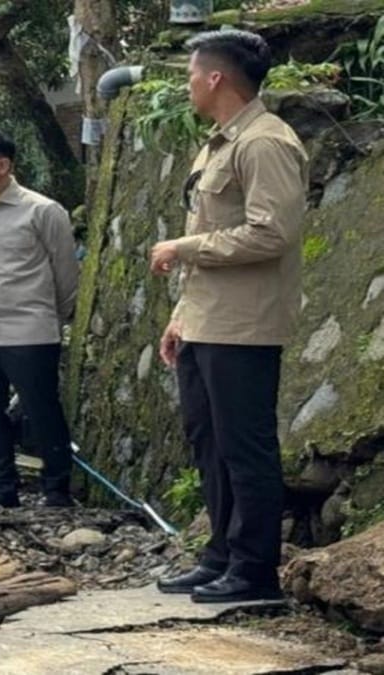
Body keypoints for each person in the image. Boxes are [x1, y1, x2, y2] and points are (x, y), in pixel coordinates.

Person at [151, 30, 306, 603]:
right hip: (205, 319)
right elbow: (213, 229)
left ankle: (254, 569)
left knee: (245, 446)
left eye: (192, 73)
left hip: (244, 325)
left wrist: (183, 249)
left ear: (215, 78)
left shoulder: (265, 142)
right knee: (208, 441)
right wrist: (180, 315)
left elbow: (273, 232)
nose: (187, 84)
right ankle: (220, 553)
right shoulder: (219, 143)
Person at [0, 126, 79, 509]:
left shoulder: (42, 211)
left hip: (30, 329)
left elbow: (65, 275)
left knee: (41, 409)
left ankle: (56, 488)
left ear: (3, 165)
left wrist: (48, 317)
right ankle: (1, 487)